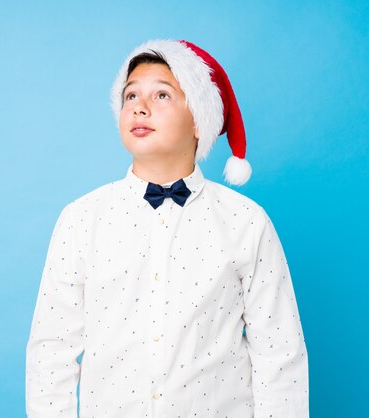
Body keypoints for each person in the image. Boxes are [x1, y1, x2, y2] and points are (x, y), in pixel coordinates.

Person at [26, 39, 309, 418]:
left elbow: (279, 353)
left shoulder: (246, 222)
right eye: (130, 96)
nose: (140, 107)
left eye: (161, 95)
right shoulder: (80, 220)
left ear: (199, 120)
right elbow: (51, 352)